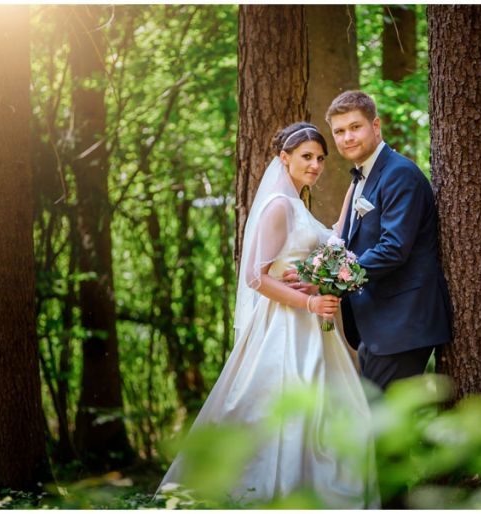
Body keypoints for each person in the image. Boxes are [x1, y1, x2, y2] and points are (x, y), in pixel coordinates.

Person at [155, 122, 379, 508]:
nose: (315, 165)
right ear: (284, 158)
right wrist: (310, 302)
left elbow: (333, 238)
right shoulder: (278, 205)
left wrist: (352, 195)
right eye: (307, 157)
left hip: (316, 325)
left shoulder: (297, 204)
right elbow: (255, 278)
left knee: (327, 411)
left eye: (321, 158)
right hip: (286, 326)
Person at [289, 91, 453, 391]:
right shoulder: (363, 177)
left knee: (382, 429)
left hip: (402, 324)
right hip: (379, 327)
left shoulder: (399, 174)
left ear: (375, 126)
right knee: (381, 427)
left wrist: (327, 281)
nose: (347, 137)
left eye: (355, 127)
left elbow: (393, 249)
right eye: (339, 131)